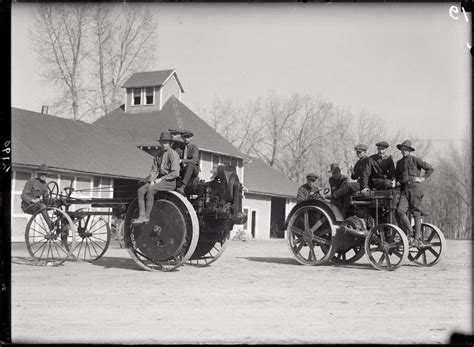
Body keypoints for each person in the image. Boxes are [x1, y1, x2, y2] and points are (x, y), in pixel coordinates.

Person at [133, 132, 180, 225]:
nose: (163, 144)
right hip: (157, 179)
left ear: (170, 143)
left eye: (166, 142)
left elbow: (175, 173)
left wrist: (160, 180)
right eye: (162, 142)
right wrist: (151, 181)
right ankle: (141, 215)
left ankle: (147, 217)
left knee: (151, 190)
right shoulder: (158, 155)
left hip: (169, 181)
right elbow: (154, 170)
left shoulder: (173, 154)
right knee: (141, 190)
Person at [394, 140, 434, 247]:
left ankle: (416, 239)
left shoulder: (415, 160)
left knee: (416, 213)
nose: (404, 151)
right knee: (400, 211)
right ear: (401, 150)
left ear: (410, 151)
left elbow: (430, 168)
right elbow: (397, 177)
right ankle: (410, 232)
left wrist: (422, 178)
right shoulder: (399, 163)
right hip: (404, 190)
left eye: (406, 149)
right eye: (402, 149)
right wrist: (396, 181)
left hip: (415, 188)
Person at [325, 144, 371, 217]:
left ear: (365, 152)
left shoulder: (368, 160)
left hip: (366, 184)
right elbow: (354, 177)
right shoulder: (359, 162)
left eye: (360, 152)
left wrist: (365, 187)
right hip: (360, 183)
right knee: (346, 195)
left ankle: (334, 196)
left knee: (348, 186)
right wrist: (352, 171)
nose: (358, 154)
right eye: (357, 152)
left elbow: (366, 175)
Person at [21, 163, 54, 230]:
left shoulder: (45, 185)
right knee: (42, 206)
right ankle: (50, 225)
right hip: (28, 206)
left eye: (45, 174)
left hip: (37, 205)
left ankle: (59, 225)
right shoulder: (31, 182)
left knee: (55, 204)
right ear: (38, 174)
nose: (43, 176)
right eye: (42, 174)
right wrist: (32, 200)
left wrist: (52, 201)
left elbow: (46, 198)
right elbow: (23, 195)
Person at [176, 130, 200, 195]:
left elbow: (195, 160)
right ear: (182, 138)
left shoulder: (194, 148)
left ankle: (183, 186)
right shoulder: (179, 148)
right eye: (184, 137)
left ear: (191, 138)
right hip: (183, 170)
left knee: (190, 164)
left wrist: (183, 161)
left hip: (193, 170)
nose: (186, 139)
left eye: (188, 137)